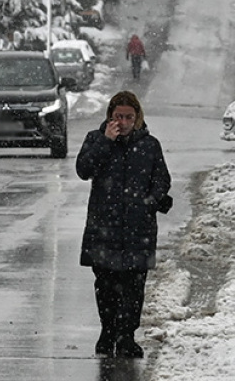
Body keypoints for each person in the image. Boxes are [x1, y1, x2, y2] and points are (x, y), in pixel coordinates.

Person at [76, 90, 172, 358]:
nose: (124, 122)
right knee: (105, 284)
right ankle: (107, 332)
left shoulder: (149, 145)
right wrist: (105, 142)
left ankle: (127, 336)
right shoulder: (96, 139)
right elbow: (84, 170)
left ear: (137, 117)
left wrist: (148, 202)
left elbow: (162, 180)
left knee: (133, 286)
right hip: (104, 226)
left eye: (129, 117)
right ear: (110, 116)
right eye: (119, 116)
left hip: (138, 229)